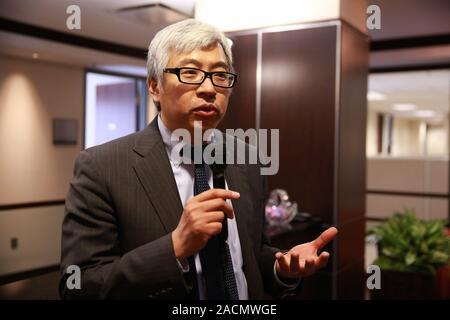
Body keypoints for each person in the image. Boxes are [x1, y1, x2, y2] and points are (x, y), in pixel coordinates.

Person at [59, 19, 338, 300]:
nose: (209, 89)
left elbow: (250, 255)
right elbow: (79, 286)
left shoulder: (247, 157)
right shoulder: (102, 167)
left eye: (220, 75)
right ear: (155, 86)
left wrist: (282, 268)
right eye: (190, 72)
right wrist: (175, 247)